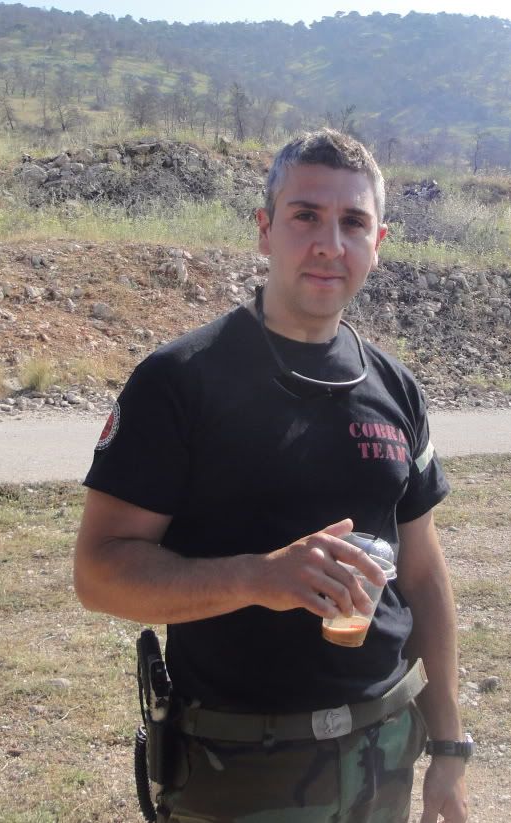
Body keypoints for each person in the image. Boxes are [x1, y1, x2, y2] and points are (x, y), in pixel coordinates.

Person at [74, 129, 469, 823]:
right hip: (239, 770)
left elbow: (423, 571)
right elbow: (99, 574)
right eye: (305, 215)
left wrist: (448, 744)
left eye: (354, 222)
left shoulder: (395, 387)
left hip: (383, 755)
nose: (329, 244)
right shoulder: (180, 380)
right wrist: (258, 578)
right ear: (265, 230)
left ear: (378, 242)